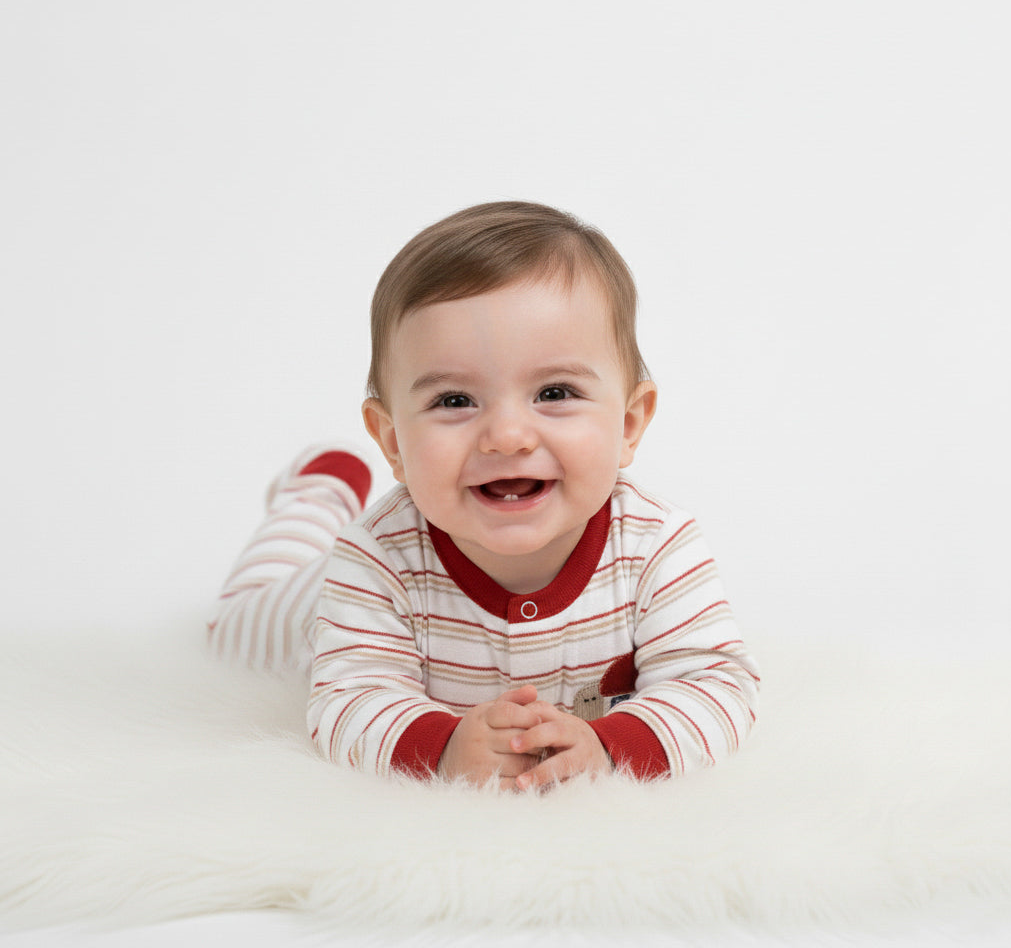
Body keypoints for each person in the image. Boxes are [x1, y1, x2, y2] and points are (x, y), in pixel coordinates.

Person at [209, 201, 759, 792]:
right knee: (230, 627)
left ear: (628, 423)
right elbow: (348, 700)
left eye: (554, 391)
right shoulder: (376, 557)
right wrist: (443, 748)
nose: (507, 437)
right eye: (454, 401)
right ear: (393, 442)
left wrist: (609, 746)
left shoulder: (656, 545)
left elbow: (715, 684)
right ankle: (317, 493)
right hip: (308, 607)